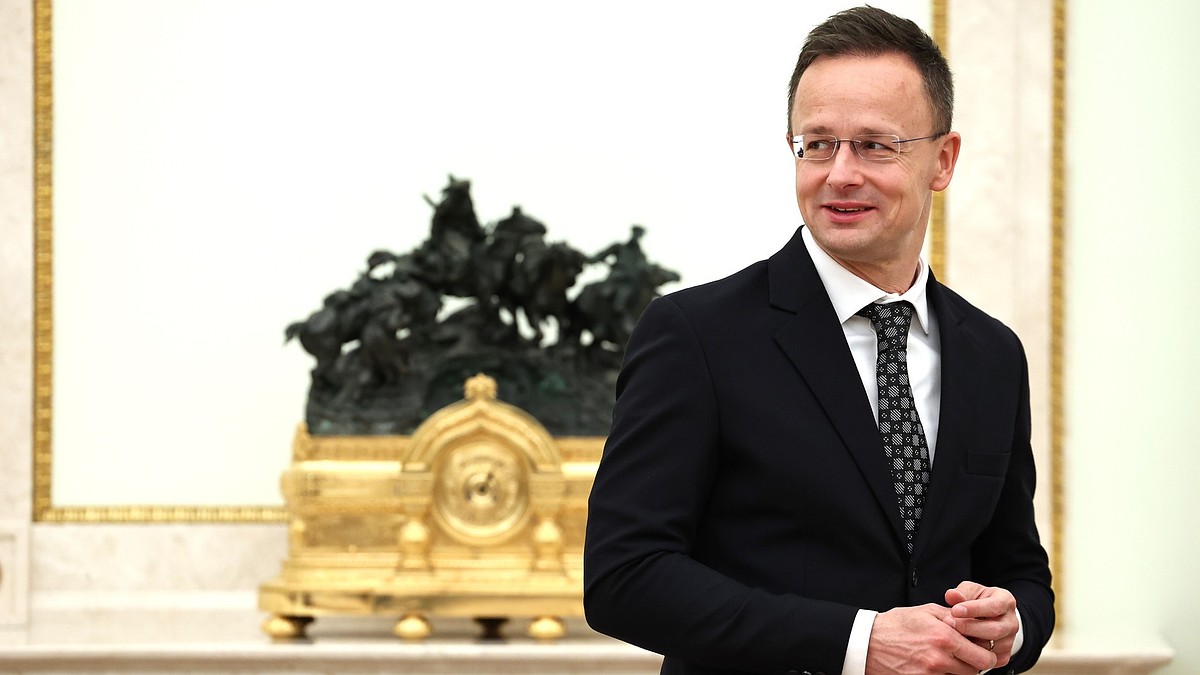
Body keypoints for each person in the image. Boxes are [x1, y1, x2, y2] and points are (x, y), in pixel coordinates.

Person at [582, 6, 1054, 675]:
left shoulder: (993, 353)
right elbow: (624, 576)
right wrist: (860, 642)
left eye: (875, 145)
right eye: (819, 143)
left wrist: (1013, 623)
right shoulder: (695, 336)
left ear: (943, 160)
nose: (840, 174)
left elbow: (1020, 571)